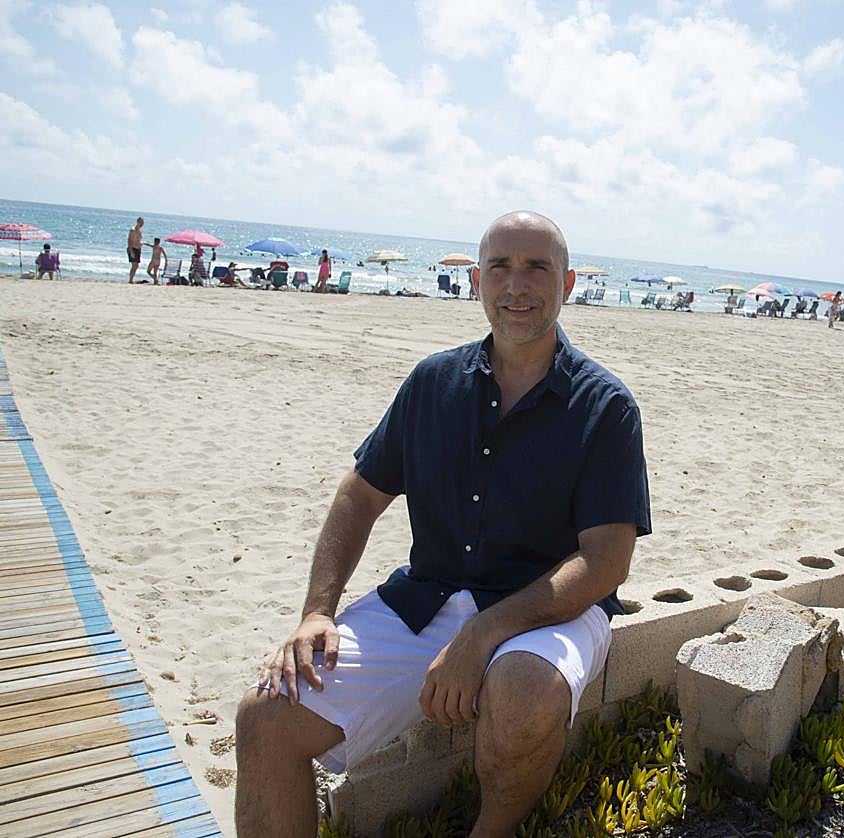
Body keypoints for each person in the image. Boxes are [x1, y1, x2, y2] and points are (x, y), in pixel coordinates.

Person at [234, 211, 651, 838]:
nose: (516, 285)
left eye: (537, 267)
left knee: (520, 686)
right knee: (267, 714)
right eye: (499, 268)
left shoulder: (605, 406)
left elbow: (605, 561)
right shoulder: (434, 382)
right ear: (477, 281)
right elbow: (359, 495)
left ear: (567, 286)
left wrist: (485, 634)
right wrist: (318, 611)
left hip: (549, 611)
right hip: (427, 596)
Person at [127, 217, 144, 283]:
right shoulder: (133, 230)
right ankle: (130, 280)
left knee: (136, 265)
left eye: (143, 222)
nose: (142, 224)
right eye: (141, 222)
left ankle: (131, 279)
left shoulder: (139, 231)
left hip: (137, 249)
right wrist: (131, 251)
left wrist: (141, 244)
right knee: (134, 265)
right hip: (132, 248)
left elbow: (138, 240)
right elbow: (129, 240)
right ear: (138, 222)